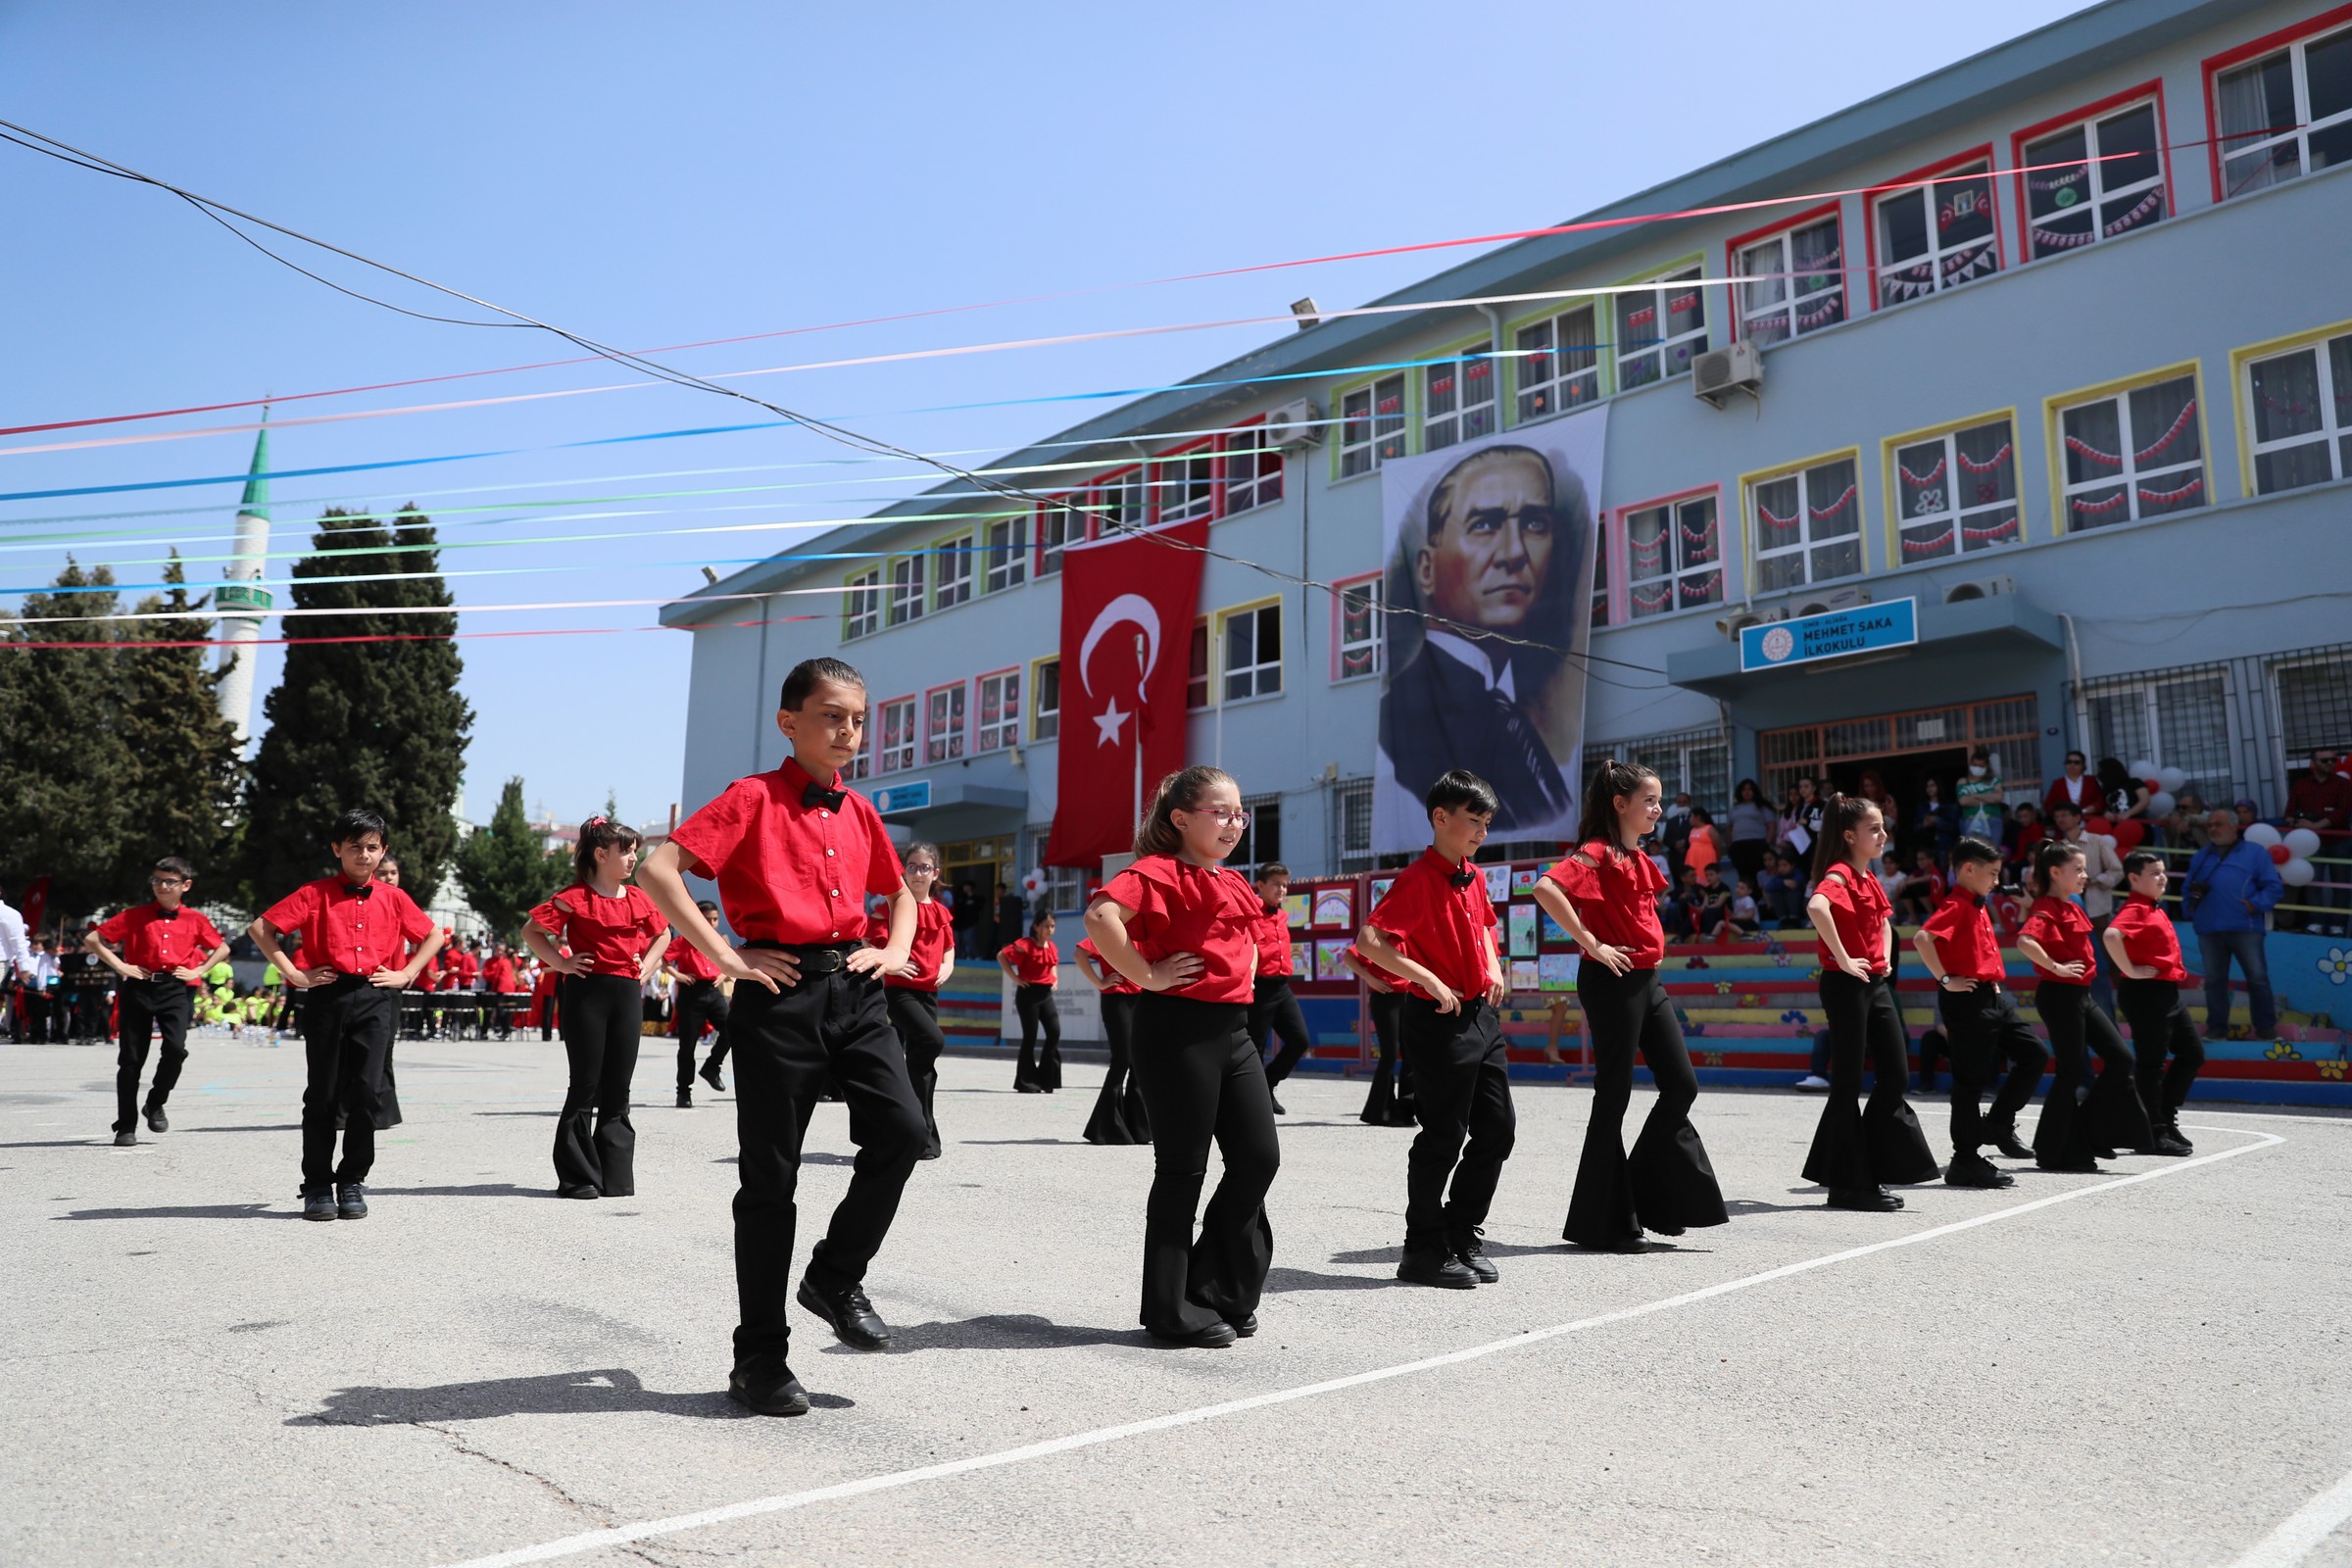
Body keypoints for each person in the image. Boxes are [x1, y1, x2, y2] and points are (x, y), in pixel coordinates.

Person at [638, 656, 929, 1417]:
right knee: (771, 1182)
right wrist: (724, 956)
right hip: (780, 995)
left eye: (858, 719)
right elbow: (659, 868)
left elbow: (899, 894)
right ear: (790, 722)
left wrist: (895, 952)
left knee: (902, 1132)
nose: (848, 731)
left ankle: (834, 1273)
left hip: (857, 993)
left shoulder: (861, 811)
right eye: (832, 715)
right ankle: (759, 1360)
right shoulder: (751, 798)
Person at [1084, 764, 1277, 1348]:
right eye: (1219, 811)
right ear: (1181, 818)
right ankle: (1169, 1309)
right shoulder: (1157, 872)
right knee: (1182, 1172)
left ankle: (1216, 1287)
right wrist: (1147, 975)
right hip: (1176, 1033)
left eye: (1239, 812)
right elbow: (1100, 919)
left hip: (1234, 1031)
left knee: (1257, 1158)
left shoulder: (1230, 879)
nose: (1233, 822)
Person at [1534, 757, 1728, 1252]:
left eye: (1660, 800)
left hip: (1647, 978)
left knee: (1681, 1085)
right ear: (1620, 804)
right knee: (1613, 1094)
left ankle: (1638, 1194)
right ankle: (1604, 1222)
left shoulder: (1639, 857)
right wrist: (1590, 942)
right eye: (1650, 801)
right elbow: (1546, 888)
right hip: (1610, 978)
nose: (1658, 809)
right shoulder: (1596, 852)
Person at [1356, 769, 1514, 1290]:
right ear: (1440, 818)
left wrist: (1492, 967)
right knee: (1443, 1135)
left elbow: (1486, 928)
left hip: (1480, 1016)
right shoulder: (1416, 879)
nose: (1480, 833)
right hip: (1437, 1019)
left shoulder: (1475, 874)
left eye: (1487, 823)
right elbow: (1372, 940)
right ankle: (1421, 1249)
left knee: (1497, 1129)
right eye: (1473, 821)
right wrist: (1426, 977)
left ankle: (1462, 1231)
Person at [251, 808, 444, 1222]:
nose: (364, 855)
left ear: (383, 851)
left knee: (367, 1093)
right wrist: (294, 974)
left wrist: (408, 972)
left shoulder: (394, 897)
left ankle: (352, 1179)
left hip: (375, 997)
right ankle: (318, 1185)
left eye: (372, 848)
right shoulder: (314, 892)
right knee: (321, 1093)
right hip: (327, 996)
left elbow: (433, 934)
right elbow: (261, 929)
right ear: (337, 849)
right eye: (354, 847)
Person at [1378, 445, 1583, 834]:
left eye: (1535, 524)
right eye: (1485, 525)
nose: (1514, 553)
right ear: (1426, 568)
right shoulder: (1403, 723)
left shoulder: (1511, 711)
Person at [1801, 795, 1938, 1210]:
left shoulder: (1869, 877)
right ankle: (1848, 1183)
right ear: (1849, 836)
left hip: (1873, 982)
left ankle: (1861, 1168)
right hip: (1845, 983)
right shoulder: (1841, 873)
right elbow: (1816, 906)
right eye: (1874, 828)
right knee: (1846, 1083)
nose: (1884, 835)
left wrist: (1882, 962)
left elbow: (1884, 923)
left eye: (1883, 827)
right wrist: (1843, 957)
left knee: (1895, 1076)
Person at [525, 818, 671, 1200]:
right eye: (626, 851)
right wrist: (561, 963)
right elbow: (532, 932)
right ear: (601, 854)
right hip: (586, 995)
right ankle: (577, 1177)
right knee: (586, 1085)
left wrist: (648, 965)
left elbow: (665, 934)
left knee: (618, 1088)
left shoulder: (639, 898)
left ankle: (615, 1175)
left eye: (635, 850)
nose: (633, 858)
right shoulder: (574, 896)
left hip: (626, 994)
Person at [1912, 839, 2043, 1190]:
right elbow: (1923, 939)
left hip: (1991, 996)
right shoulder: (1956, 904)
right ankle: (1965, 1159)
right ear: (1968, 869)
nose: (1997, 881)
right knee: (1969, 1082)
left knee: (2033, 1054)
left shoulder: (1978, 903)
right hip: (1967, 1000)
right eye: (1993, 874)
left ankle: (1999, 1123)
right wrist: (1944, 979)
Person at [2017, 839, 2150, 1172]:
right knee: (2070, 1071)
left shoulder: (2073, 905)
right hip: (2059, 995)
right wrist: (2055, 967)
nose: (2084, 875)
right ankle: (2055, 1150)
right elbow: (2025, 940)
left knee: (2120, 1058)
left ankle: (2088, 1133)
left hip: (2081, 995)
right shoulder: (2046, 907)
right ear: (2055, 872)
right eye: (2078, 869)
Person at [85, 858, 230, 1146]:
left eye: (169, 881)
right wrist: (121, 967)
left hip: (175, 989)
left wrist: (199, 970)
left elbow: (223, 947)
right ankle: (126, 1125)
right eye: (157, 880)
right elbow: (93, 939)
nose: (162, 886)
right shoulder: (134, 915)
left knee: (176, 1050)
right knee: (131, 1061)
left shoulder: (196, 919)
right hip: (138, 988)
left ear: (185, 885)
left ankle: (155, 1102)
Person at [2107, 851, 2204, 1156]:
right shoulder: (2136, 907)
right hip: (2145, 992)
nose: (2162, 878)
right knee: (2151, 1063)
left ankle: (2164, 1117)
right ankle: (2152, 1131)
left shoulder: (2151, 906)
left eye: (2163, 872)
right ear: (2134, 878)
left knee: (2192, 1053)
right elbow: (2111, 935)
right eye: (2154, 873)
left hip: (2166, 993)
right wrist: (2128, 970)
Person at [873, 844, 953, 1160]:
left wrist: (947, 967)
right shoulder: (890, 906)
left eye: (924, 867)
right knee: (932, 1041)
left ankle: (920, 1135)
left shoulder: (941, 910)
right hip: (898, 991)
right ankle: (912, 1123)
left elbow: (948, 947)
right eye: (912, 866)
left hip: (929, 992)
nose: (918, 873)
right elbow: (871, 940)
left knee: (924, 1068)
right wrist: (894, 959)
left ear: (936, 873)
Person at [2181, 808, 2282, 1042]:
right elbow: (2188, 888)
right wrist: (2191, 911)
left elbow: (2273, 886)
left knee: (2257, 978)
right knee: (2215, 981)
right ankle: (2217, 1030)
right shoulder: (2202, 855)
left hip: (2244, 927)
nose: (2213, 829)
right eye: (2210, 825)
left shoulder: (2255, 853)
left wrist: (2255, 905)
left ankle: (2266, 1030)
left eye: (2218, 824)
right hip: (2209, 928)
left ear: (2234, 826)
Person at [1246, 863, 1312, 1113]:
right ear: (1260, 885)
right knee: (1256, 1045)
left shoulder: (1282, 916)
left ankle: (1268, 1083)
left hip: (1282, 987)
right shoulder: (1252, 912)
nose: (1282, 889)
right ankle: (1254, 1101)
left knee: (1299, 1040)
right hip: (1259, 987)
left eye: (1285, 885)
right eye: (1276, 883)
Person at [1075, 935, 1151, 1146]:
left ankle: (1138, 1129)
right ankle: (1105, 1127)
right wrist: (1099, 982)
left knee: (1138, 1061)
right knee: (1122, 1059)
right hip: (1116, 998)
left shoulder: (1143, 931)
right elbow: (1080, 954)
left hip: (1141, 998)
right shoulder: (1109, 928)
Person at [2049, 802, 2124, 1011]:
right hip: (2071, 914)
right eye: (2057, 816)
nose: (2061, 819)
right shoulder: (2059, 847)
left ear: (2077, 818)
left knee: (2111, 962)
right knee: (2085, 965)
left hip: (2097, 909)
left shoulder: (2096, 841)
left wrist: (2094, 880)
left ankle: (2126, 1007)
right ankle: (2095, 1010)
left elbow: (2116, 870)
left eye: (2065, 814)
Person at [1338, 943, 1416, 1128]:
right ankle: (1381, 1111)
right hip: (1385, 997)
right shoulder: (1382, 932)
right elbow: (1350, 955)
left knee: (1411, 1053)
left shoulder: (1412, 930)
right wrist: (1368, 977)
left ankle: (1407, 1109)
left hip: (1410, 997)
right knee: (1389, 1054)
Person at [667, 901, 733, 1109]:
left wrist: (723, 975)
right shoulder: (684, 940)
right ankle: (683, 1092)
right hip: (692, 993)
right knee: (687, 1045)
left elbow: (732, 960)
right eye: (707, 919)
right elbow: (662, 958)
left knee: (733, 1028)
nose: (712, 923)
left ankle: (712, 1067)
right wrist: (678, 975)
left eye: (715, 919)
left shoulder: (719, 940)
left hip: (712, 992)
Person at [2284, 746, 2351, 935]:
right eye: (2325, 760)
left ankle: (2338, 925)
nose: (2330, 763)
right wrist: (2297, 822)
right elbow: (2288, 813)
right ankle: (2316, 923)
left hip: (2339, 841)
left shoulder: (2343, 784)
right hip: (2309, 843)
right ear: (2313, 763)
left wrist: (2316, 825)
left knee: (2341, 884)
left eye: (2333, 760)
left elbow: (2343, 811)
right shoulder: (2301, 785)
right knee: (2313, 883)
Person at [1000, 911, 1062, 1094]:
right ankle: (1027, 1082)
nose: (1050, 930)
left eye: (1052, 926)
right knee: (1031, 1036)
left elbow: (1053, 964)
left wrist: (1055, 979)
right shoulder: (1025, 944)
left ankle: (1046, 1078)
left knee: (1054, 1032)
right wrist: (1015, 978)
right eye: (1046, 926)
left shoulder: (1051, 946)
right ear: (1036, 927)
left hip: (1045, 994)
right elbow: (1001, 955)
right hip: (1028, 994)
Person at [1727, 779, 1776, 890]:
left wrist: (1766, 844)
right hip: (1738, 846)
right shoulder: (1734, 808)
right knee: (1743, 875)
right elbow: (1729, 828)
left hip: (1757, 844)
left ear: (1754, 791)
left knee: (1757, 874)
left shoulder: (1762, 806)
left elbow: (1771, 826)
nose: (1747, 792)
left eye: (1749, 789)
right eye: (1744, 789)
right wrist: (1730, 845)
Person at [1956, 747, 2005, 846]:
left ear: (1986, 767)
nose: (1977, 768)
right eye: (1975, 765)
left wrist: (1975, 796)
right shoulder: (1963, 782)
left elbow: (1998, 798)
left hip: (1993, 820)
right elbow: (1963, 801)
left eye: (1981, 766)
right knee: (1975, 854)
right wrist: (1988, 797)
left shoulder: (1994, 781)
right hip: (1971, 820)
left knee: (1993, 853)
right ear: (1970, 764)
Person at [2043, 750, 2107, 819]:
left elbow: (2101, 801)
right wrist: (2062, 814)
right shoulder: (2058, 784)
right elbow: (2048, 805)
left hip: (2089, 821)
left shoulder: (2091, 781)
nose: (2072, 765)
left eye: (2076, 762)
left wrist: (2093, 808)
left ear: (2083, 765)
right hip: (2066, 823)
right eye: (2069, 762)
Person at [1914, 776, 1959, 869]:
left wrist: (1937, 821)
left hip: (1945, 846)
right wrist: (1924, 825)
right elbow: (1915, 828)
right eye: (1927, 786)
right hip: (1927, 847)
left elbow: (1955, 828)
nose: (1930, 788)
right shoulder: (1922, 807)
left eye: (1933, 785)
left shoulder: (1950, 806)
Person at [1893, 848, 1945, 924]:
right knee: (1905, 889)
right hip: (1920, 904)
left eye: (1922, 859)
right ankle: (1913, 917)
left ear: (1931, 860)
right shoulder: (1918, 872)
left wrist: (1909, 882)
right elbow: (1906, 881)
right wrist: (1903, 881)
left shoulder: (1937, 871)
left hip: (1936, 902)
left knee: (1919, 887)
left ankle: (1932, 914)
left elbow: (1929, 878)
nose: (1919, 862)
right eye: (1918, 860)